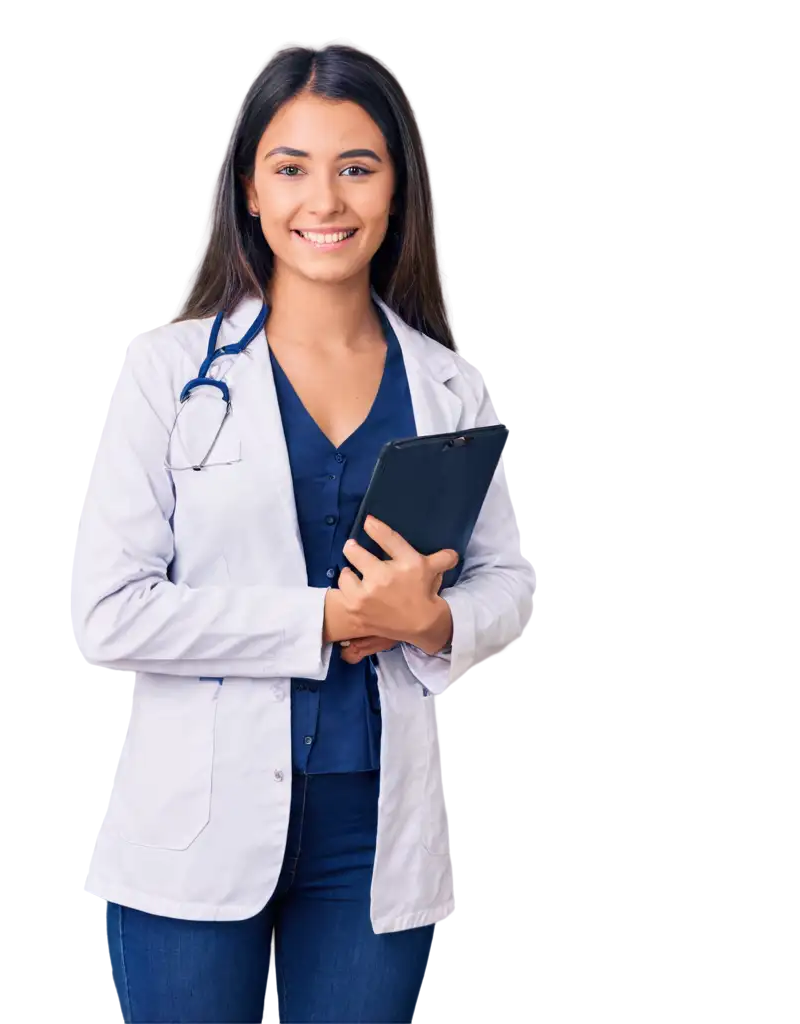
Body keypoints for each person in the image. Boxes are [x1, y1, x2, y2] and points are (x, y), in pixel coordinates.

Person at [70, 42, 537, 1024]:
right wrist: (326, 616)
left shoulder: (451, 386)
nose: (324, 200)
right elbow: (109, 616)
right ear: (249, 189)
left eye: (356, 167)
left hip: (372, 834)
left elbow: (509, 583)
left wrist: (433, 623)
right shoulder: (165, 371)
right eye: (291, 168)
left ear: (396, 189)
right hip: (196, 826)